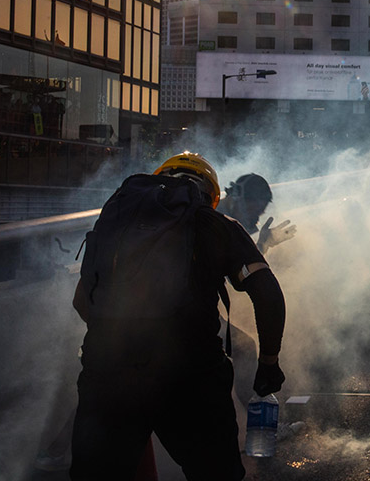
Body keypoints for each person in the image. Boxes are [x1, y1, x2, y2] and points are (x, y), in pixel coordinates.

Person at [70, 152, 287, 481]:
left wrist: (124, 340)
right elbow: (268, 292)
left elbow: (81, 301)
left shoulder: (115, 221)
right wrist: (270, 361)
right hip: (189, 375)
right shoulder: (213, 222)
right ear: (210, 194)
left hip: (107, 373)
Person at [218, 173, 297, 255]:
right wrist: (262, 244)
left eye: (259, 213)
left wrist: (265, 243)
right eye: (251, 210)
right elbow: (238, 265)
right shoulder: (213, 223)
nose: (255, 219)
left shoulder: (228, 220)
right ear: (236, 197)